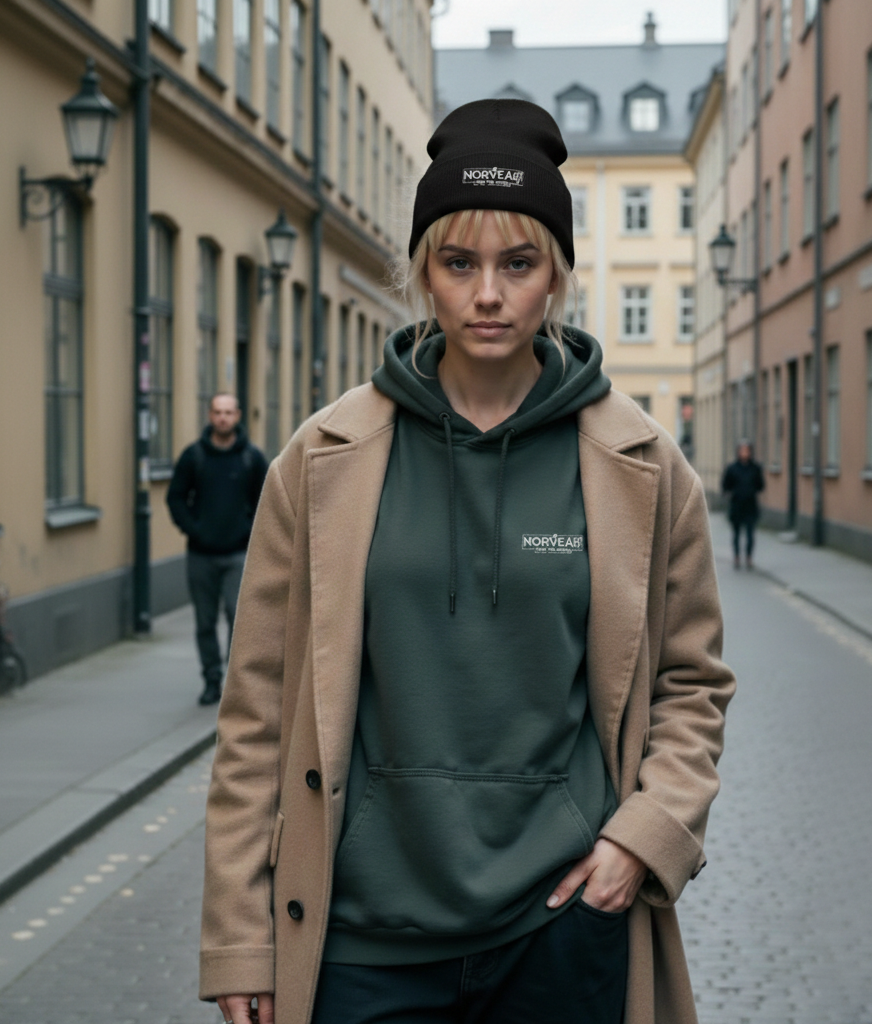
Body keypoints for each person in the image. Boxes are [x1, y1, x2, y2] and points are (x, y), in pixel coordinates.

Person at [199, 99, 735, 1024]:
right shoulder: (323, 459)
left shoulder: (640, 466)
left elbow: (692, 684)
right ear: (423, 274)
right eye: (459, 263)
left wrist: (643, 839)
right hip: (361, 939)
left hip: (560, 925)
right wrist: (242, 937)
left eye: (518, 264)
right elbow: (256, 710)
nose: (489, 294)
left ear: (556, 275)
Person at [166, 393, 268, 705]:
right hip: (201, 555)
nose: (223, 418)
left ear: (238, 416)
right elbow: (175, 498)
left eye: (228, 412)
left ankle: (237, 685)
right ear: (210, 415)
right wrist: (194, 529)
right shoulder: (193, 456)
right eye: (217, 412)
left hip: (238, 554)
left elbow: (267, 502)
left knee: (239, 619)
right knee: (204, 622)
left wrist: (248, 532)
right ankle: (212, 680)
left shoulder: (251, 458)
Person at [721, 440, 765, 570]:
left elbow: (761, 485)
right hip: (737, 505)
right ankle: (736, 557)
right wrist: (731, 493)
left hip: (750, 505)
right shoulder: (732, 468)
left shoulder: (755, 468)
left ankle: (749, 557)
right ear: (738, 452)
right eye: (742, 450)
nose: (745, 453)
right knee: (736, 534)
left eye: (747, 450)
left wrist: (751, 490)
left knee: (750, 534)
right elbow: (725, 484)